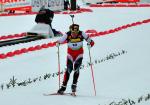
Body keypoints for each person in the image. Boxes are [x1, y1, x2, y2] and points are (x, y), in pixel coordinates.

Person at [55, 24, 95, 95]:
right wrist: (57, 43)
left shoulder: (82, 33)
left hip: (79, 54)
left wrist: (90, 45)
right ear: (71, 31)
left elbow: (91, 42)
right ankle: (63, 87)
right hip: (70, 54)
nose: (74, 34)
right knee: (69, 70)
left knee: (76, 68)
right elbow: (60, 41)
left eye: (76, 32)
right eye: (73, 32)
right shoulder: (67, 34)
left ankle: (74, 85)